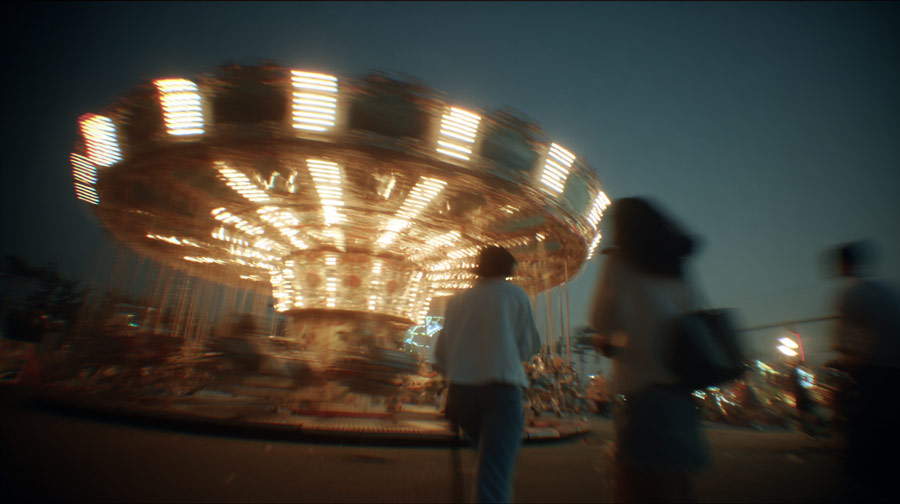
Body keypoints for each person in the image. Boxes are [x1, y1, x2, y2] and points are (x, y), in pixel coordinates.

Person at [589, 197, 708, 503]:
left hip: (644, 397)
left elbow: (600, 319)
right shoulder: (678, 266)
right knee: (677, 487)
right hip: (681, 397)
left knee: (634, 488)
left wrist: (611, 341)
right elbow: (695, 311)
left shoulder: (619, 262)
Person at [434, 245, 542, 503]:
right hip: (501, 387)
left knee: (486, 460)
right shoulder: (516, 295)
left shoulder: (458, 300)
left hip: (462, 392)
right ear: (508, 270)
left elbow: (443, 351)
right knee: (494, 471)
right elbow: (529, 345)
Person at [828, 241, 900, 502]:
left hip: (875, 374)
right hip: (893, 374)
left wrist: (845, 364)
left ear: (845, 265)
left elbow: (847, 346)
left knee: (862, 439)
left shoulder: (852, 294)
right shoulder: (887, 291)